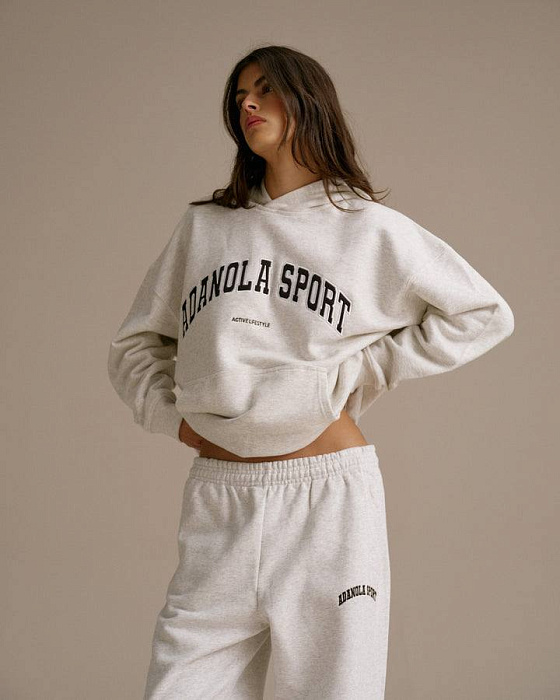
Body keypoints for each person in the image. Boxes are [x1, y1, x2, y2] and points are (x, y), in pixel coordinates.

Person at [107, 45, 515, 700]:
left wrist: (368, 367)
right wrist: (172, 418)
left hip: (328, 502)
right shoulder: (205, 228)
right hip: (219, 500)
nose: (247, 103)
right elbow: (135, 344)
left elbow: (484, 313)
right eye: (239, 94)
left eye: (265, 88)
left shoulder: (367, 229)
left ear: (308, 100)